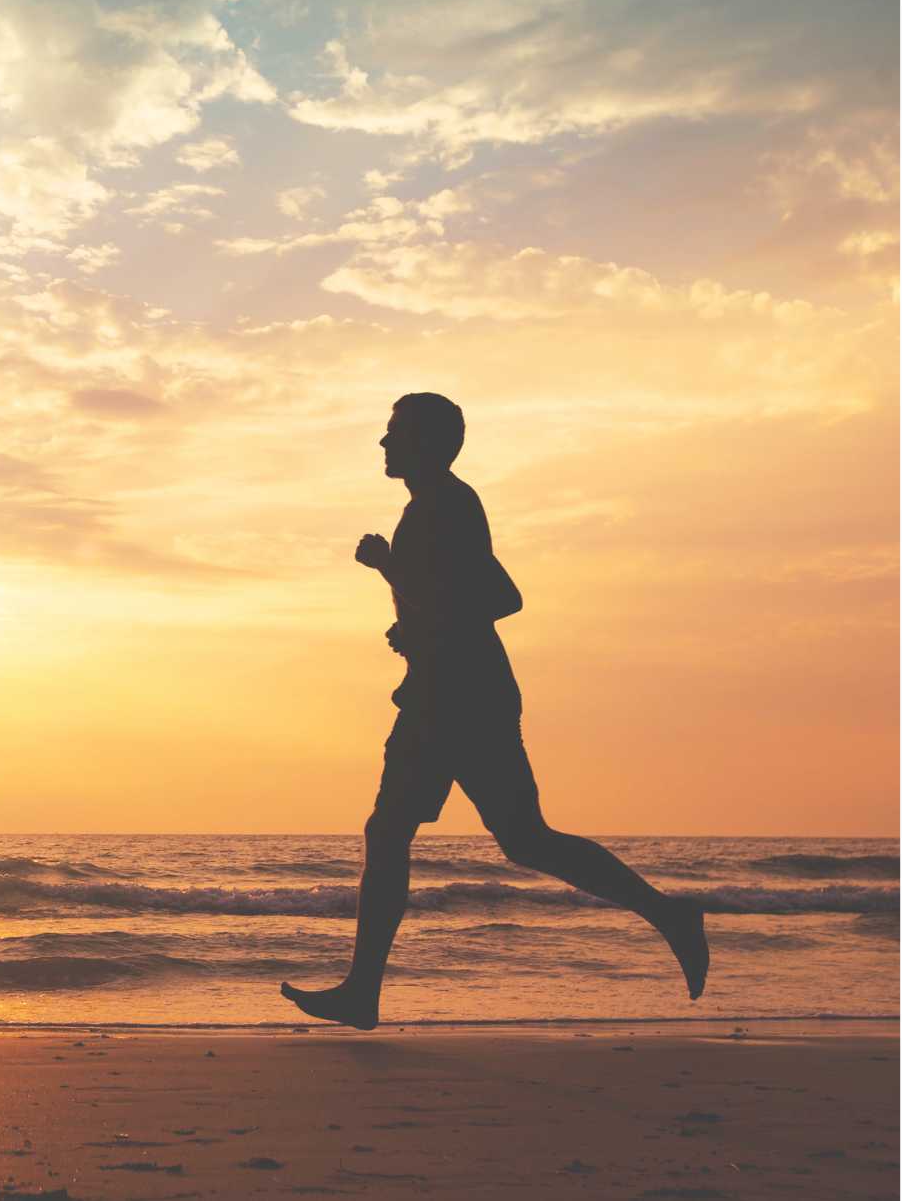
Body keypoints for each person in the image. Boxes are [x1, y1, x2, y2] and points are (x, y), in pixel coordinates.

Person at [281, 392, 708, 1029]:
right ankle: (363, 991)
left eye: (394, 433)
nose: (382, 443)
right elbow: (452, 597)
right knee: (492, 836)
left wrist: (392, 571)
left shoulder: (448, 506)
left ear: (427, 443)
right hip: (446, 689)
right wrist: (410, 618)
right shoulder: (432, 508)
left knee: (439, 833)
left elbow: (501, 598)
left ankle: (363, 991)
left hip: (459, 697)